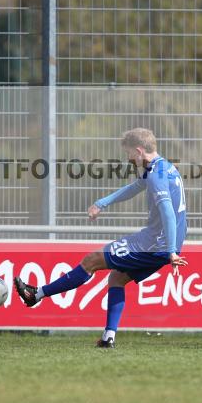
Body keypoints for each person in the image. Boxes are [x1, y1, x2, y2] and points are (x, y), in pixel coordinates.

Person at [13, 128, 187, 348]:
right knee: (117, 278)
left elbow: (168, 213)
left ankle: (35, 294)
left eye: (129, 154)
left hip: (155, 244)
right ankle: (108, 337)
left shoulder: (155, 177)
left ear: (139, 150)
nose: (128, 159)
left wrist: (170, 250)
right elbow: (134, 188)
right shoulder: (164, 168)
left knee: (92, 260)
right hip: (162, 243)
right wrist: (102, 203)